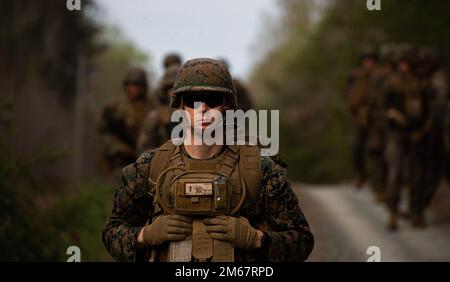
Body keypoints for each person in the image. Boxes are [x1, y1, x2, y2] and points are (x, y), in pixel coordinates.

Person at [102, 58, 314, 262]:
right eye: (193, 101)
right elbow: (112, 232)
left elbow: (302, 241)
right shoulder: (150, 168)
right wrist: (144, 236)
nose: (202, 109)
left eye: (211, 100)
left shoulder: (258, 169)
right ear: (181, 106)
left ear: (226, 105)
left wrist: (258, 240)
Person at [98, 67, 151, 173]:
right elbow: (102, 133)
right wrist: (118, 147)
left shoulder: (152, 107)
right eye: (131, 85)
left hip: (146, 159)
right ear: (125, 86)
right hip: (119, 161)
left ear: (143, 87)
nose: (134, 88)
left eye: (137, 85)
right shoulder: (114, 107)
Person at [345, 50, 379, 188]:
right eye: (366, 61)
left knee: (376, 150)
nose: (368, 64)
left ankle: (378, 181)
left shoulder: (380, 76)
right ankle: (360, 175)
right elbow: (349, 95)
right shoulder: (356, 76)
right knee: (357, 147)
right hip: (361, 118)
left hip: (378, 119)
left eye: (371, 60)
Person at [137, 64, 181, 153]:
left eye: (177, 88)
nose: (173, 92)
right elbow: (143, 147)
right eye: (170, 88)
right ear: (165, 91)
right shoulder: (156, 116)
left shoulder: (197, 114)